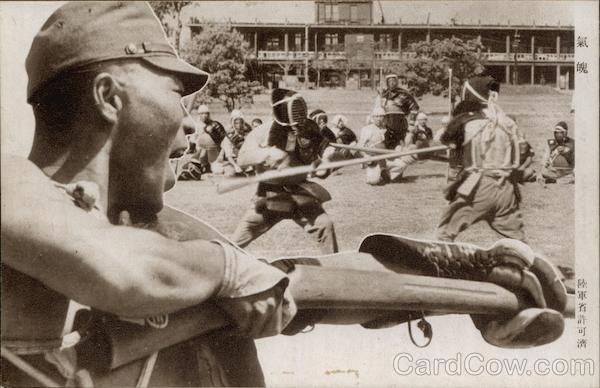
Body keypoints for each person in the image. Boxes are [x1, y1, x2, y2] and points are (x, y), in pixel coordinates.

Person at [1, 2, 295, 386]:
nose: (189, 122)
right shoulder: (7, 183)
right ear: (108, 97)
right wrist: (229, 268)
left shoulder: (174, 237)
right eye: (176, 93)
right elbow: (122, 271)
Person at [231, 89, 339, 254]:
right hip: (271, 195)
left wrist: (326, 160)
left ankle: (334, 268)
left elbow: (325, 148)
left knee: (325, 225)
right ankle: (222, 262)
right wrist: (266, 153)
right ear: (282, 111)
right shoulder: (263, 131)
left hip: (300, 192)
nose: (299, 115)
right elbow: (242, 159)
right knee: (240, 237)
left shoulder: (309, 128)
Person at [436, 73, 526, 242]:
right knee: (516, 241)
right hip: (507, 191)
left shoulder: (465, 121)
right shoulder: (507, 122)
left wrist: (418, 151)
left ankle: (441, 255)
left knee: (446, 231)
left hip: (479, 188)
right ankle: (521, 260)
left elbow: (448, 147)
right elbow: (523, 152)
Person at [374, 74, 420, 150]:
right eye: (389, 81)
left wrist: (412, 122)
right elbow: (378, 108)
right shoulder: (384, 95)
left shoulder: (403, 94)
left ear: (397, 82)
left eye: (393, 81)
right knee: (385, 141)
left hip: (399, 121)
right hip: (386, 121)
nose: (392, 83)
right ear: (387, 83)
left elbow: (414, 107)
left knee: (401, 142)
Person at [213, 110, 252, 176]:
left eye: (240, 122)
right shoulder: (228, 137)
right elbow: (229, 156)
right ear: (233, 123)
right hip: (231, 161)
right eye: (236, 123)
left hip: (245, 160)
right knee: (230, 174)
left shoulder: (247, 135)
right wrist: (235, 166)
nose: (239, 125)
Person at [191, 104, 227, 174]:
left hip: (213, 151)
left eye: (206, 113)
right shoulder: (196, 126)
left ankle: (210, 165)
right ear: (199, 115)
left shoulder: (215, 125)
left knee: (218, 170)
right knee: (195, 167)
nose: (204, 115)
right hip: (200, 152)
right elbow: (193, 141)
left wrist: (221, 154)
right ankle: (204, 165)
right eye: (202, 113)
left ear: (209, 114)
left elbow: (224, 139)